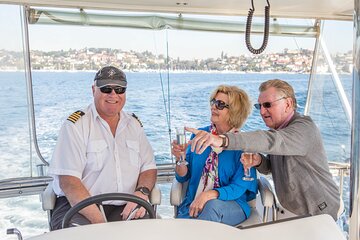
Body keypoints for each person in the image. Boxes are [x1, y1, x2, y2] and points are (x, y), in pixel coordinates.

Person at [187, 79, 341, 221]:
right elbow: (272, 167)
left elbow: (272, 141)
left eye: (267, 105)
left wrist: (223, 140)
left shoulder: (303, 129)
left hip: (320, 210)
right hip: (292, 211)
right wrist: (259, 161)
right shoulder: (280, 130)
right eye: (259, 106)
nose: (261, 111)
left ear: (288, 104)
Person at [48, 66, 157, 230]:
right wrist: (101, 225)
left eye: (119, 89)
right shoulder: (76, 125)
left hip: (126, 206)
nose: (113, 95)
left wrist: (141, 193)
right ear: (94, 90)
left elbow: (149, 168)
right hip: (78, 206)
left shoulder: (134, 125)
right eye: (106, 89)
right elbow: (69, 182)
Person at [172, 85, 257, 226]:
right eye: (213, 102)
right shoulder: (198, 135)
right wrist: (180, 159)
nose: (213, 107)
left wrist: (207, 195)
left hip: (231, 204)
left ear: (235, 111)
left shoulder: (244, 144)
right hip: (194, 203)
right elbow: (182, 177)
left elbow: (239, 187)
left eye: (220, 104)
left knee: (211, 207)